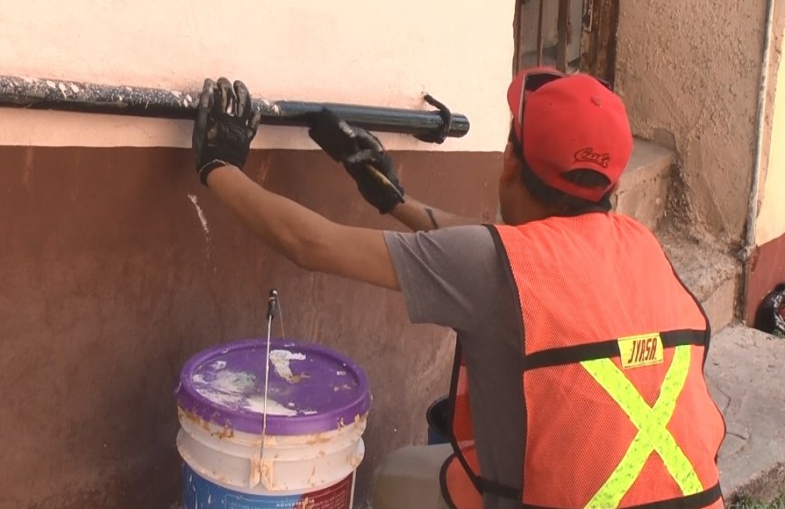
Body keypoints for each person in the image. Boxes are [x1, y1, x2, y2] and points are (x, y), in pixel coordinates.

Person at [191, 71, 726, 509]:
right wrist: (394, 200)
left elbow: (311, 244)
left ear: (511, 161)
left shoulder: (493, 265)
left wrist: (218, 165)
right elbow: (498, 245)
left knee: (399, 476)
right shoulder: (641, 247)